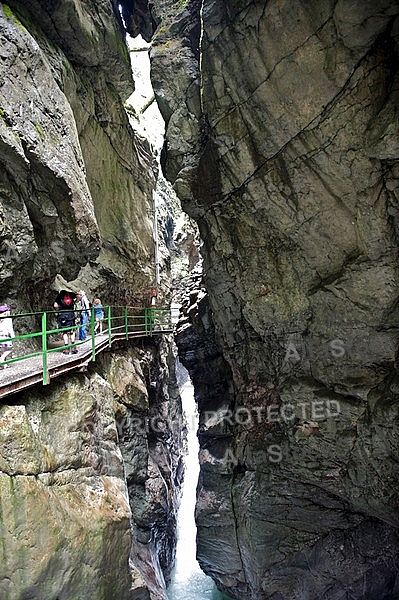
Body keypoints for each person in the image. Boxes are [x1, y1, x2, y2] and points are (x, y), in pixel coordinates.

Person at [53, 290, 78, 354]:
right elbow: (78, 298)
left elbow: (55, 305)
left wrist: (59, 308)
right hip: (71, 314)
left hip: (62, 315)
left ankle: (66, 348)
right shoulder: (71, 294)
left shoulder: (59, 296)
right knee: (72, 330)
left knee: (65, 331)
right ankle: (73, 347)